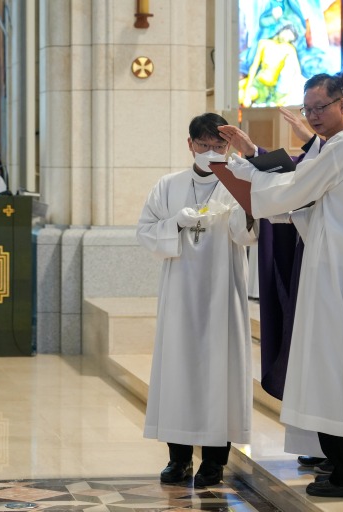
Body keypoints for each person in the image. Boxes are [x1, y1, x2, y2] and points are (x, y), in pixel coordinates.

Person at [219, 54, 343, 499]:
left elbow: (296, 189)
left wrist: (242, 173)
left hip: (335, 275)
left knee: (331, 370)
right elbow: (327, 201)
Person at [230, 74, 343, 471]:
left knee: (328, 357)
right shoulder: (327, 146)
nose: (312, 116)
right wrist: (255, 154)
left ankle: (342, 454)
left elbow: (297, 184)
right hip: (313, 256)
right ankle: (322, 446)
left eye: (320, 108)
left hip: (338, 265)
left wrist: (257, 173)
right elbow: (296, 174)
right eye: (308, 109)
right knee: (309, 353)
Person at [137, 113, 256, 488]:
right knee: (179, 370)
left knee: (220, 372)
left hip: (222, 289)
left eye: (218, 146)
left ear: (229, 146)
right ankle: (179, 459)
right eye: (203, 145)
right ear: (190, 144)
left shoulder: (236, 182)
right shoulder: (168, 185)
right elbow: (145, 230)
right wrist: (176, 222)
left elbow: (245, 233)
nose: (210, 152)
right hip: (181, 292)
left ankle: (214, 463)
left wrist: (249, 208)